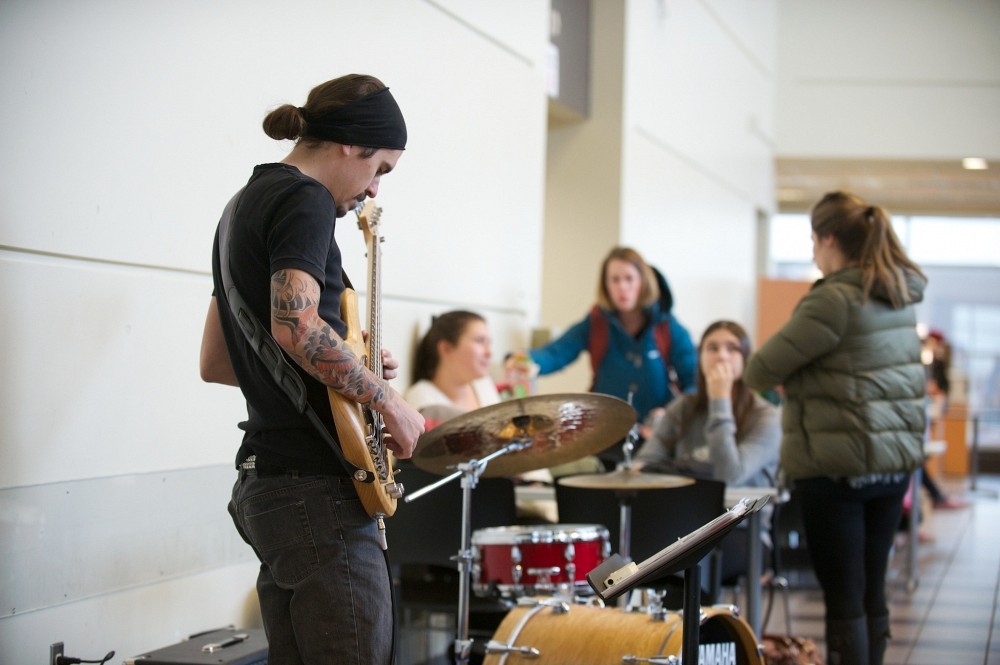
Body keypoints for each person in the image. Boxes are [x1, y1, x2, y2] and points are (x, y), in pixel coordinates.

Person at [198, 74, 425, 665]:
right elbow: (296, 326)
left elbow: (221, 361)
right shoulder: (306, 199)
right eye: (381, 168)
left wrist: (354, 364)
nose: (374, 190)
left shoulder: (238, 209)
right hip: (315, 490)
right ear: (351, 144)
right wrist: (387, 400)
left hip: (268, 487)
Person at [743, 191, 927, 665]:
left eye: (812, 240)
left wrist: (801, 375)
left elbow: (761, 370)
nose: (811, 253)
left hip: (837, 468)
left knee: (844, 597)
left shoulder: (834, 299)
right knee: (872, 588)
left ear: (828, 240)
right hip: (892, 467)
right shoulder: (896, 295)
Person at [509, 246, 697, 468]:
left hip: (656, 439)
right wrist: (524, 361)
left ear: (643, 282)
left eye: (629, 279)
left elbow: (694, 383)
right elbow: (558, 352)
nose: (622, 287)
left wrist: (669, 413)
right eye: (614, 280)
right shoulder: (597, 322)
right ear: (605, 286)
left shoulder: (668, 327)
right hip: (607, 436)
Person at [633, 320, 781, 583]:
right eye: (712, 348)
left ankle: (700, 624)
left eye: (732, 348)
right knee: (635, 552)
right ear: (700, 358)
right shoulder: (683, 408)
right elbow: (644, 463)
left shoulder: (766, 417)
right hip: (683, 524)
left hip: (742, 531)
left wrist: (720, 402)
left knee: (690, 562)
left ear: (746, 359)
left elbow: (730, 475)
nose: (722, 355)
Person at [404, 310, 500, 423]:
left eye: (489, 343)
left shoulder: (483, 384)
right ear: (446, 348)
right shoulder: (423, 399)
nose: (489, 352)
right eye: (479, 341)